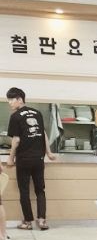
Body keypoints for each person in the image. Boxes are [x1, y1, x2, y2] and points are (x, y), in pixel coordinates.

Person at [5, 87, 56, 230]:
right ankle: (42, 221)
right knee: (40, 190)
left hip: (24, 159)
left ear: (19, 99)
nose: (9, 102)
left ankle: (27, 222)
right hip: (38, 158)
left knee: (24, 191)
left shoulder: (15, 116)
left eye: (11, 99)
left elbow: (16, 140)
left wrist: (10, 158)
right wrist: (49, 152)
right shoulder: (37, 113)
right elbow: (43, 134)